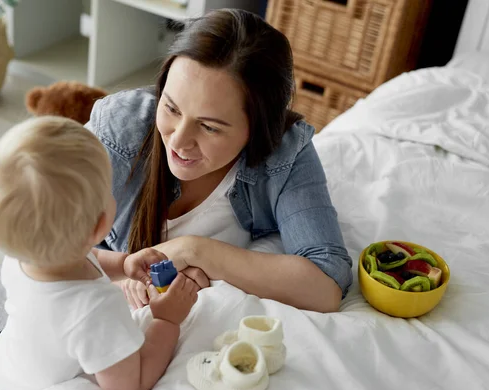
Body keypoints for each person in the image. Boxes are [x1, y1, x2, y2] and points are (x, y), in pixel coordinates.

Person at [86, 8, 353, 314]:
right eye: (171, 108)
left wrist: (195, 251)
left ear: (257, 128)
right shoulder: (122, 130)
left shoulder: (284, 156)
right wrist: (118, 283)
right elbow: (30, 241)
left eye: (209, 127)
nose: (178, 140)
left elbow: (326, 285)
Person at [0, 116, 199, 390]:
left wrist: (124, 264)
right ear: (101, 226)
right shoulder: (97, 309)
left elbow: (89, 256)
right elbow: (129, 386)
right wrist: (166, 320)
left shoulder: (22, 257)